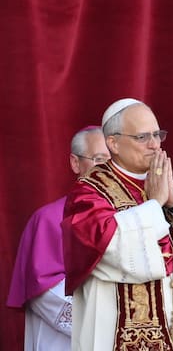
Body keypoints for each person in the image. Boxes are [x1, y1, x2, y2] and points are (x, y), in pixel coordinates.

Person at [61, 98, 173, 351]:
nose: (154, 145)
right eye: (142, 137)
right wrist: (155, 205)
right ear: (113, 143)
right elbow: (108, 248)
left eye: (157, 134)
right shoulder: (91, 191)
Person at [7, 126, 110, 351]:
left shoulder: (130, 217)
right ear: (75, 163)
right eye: (100, 160)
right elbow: (45, 293)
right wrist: (106, 323)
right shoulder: (48, 219)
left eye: (115, 162)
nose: (109, 170)